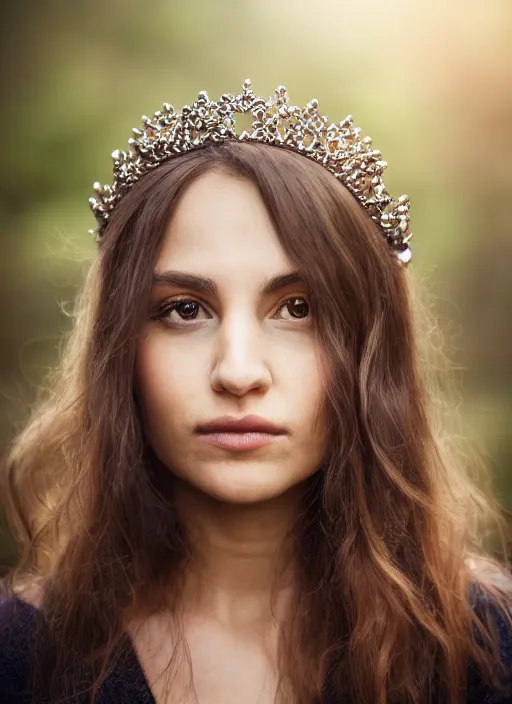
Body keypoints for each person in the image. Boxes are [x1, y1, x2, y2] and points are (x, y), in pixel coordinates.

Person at [0, 79, 511, 704]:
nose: (239, 373)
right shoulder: (19, 659)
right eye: (185, 309)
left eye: (298, 307)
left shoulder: (483, 647)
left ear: (372, 351)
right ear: (119, 349)